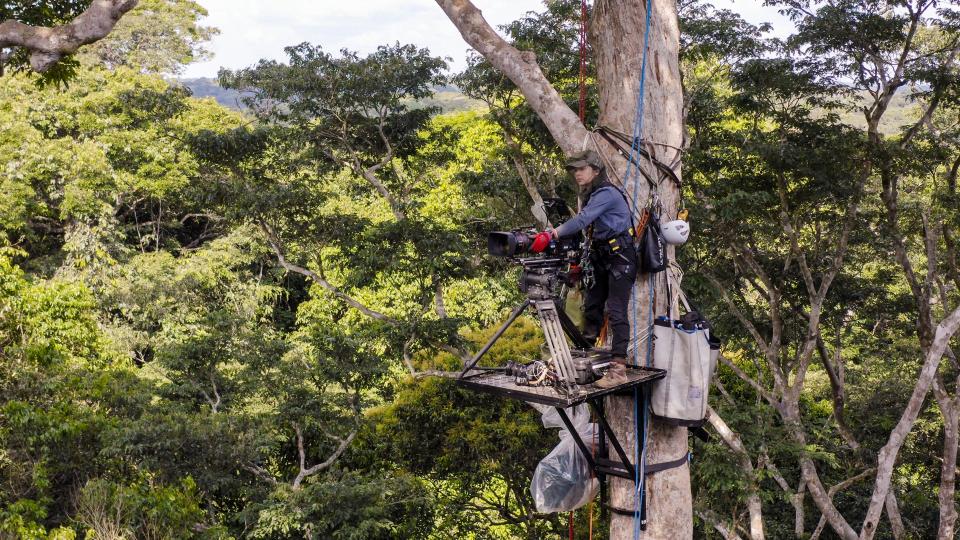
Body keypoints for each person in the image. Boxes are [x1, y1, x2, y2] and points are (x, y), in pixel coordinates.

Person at [533, 150, 637, 387]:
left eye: (582, 169)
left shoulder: (607, 194)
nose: (577, 174)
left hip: (621, 258)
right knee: (592, 306)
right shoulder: (592, 195)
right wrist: (580, 262)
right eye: (574, 170)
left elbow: (582, 221)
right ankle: (585, 354)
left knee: (617, 311)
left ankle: (618, 370)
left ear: (596, 170)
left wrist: (552, 234)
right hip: (602, 257)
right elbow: (588, 231)